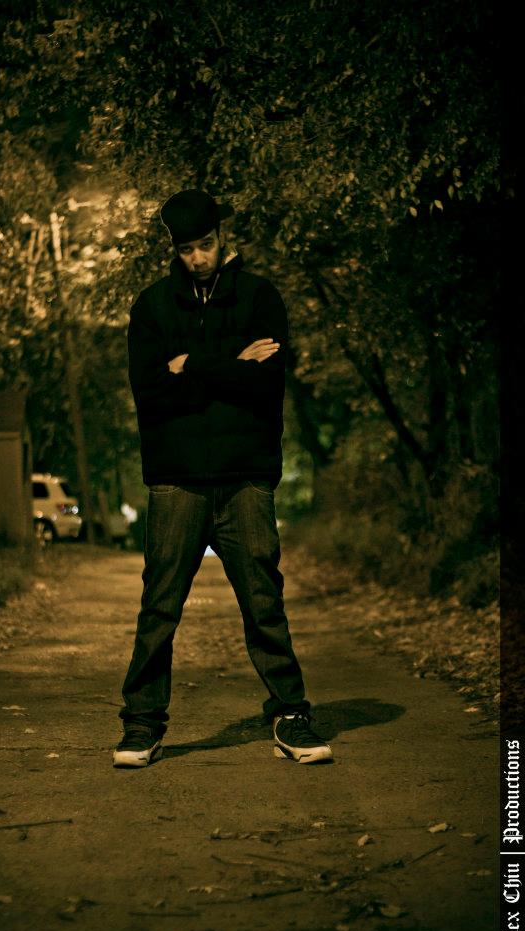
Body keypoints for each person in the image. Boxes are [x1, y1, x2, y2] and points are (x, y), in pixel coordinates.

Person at [113, 188, 332, 769]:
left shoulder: (259, 298)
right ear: (174, 249)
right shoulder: (152, 307)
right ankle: (142, 723)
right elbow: (151, 395)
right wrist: (234, 366)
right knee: (160, 607)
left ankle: (290, 713)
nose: (198, 258)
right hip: (177, 481)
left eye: (205, 245)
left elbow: (266, 384)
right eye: (186, 249)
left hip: (245, 480)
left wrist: (192, 365)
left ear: (221, 237)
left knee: (264, 603)